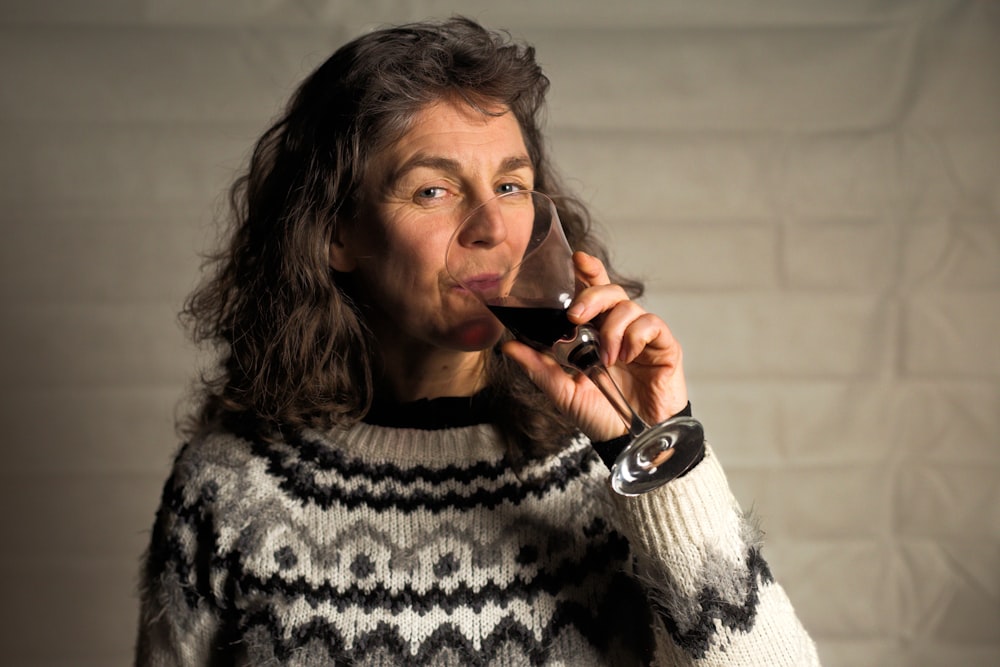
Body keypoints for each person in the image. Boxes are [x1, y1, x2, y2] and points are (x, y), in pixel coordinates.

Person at [135, 16, 820, 666]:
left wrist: (658, 451)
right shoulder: (229, 486)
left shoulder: (604, 471)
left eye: (512, 184)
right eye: (434, 190)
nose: (492, 225)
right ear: (336, 233)